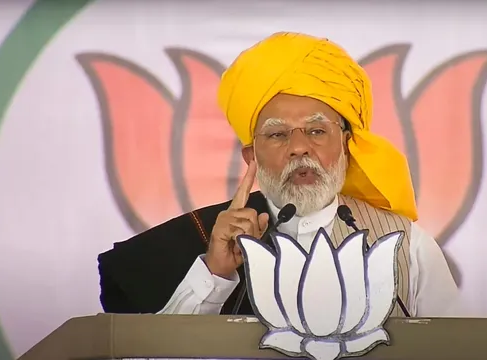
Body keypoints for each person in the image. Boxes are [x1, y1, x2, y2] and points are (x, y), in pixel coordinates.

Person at [97, 32, 460, 317]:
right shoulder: (207, 236)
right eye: (277, 134)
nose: (299, 147)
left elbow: (458, 350)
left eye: (317, 131)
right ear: (251, 156)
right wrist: (214, 273)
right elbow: (153, 353)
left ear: (347, 144)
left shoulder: (406, 245)